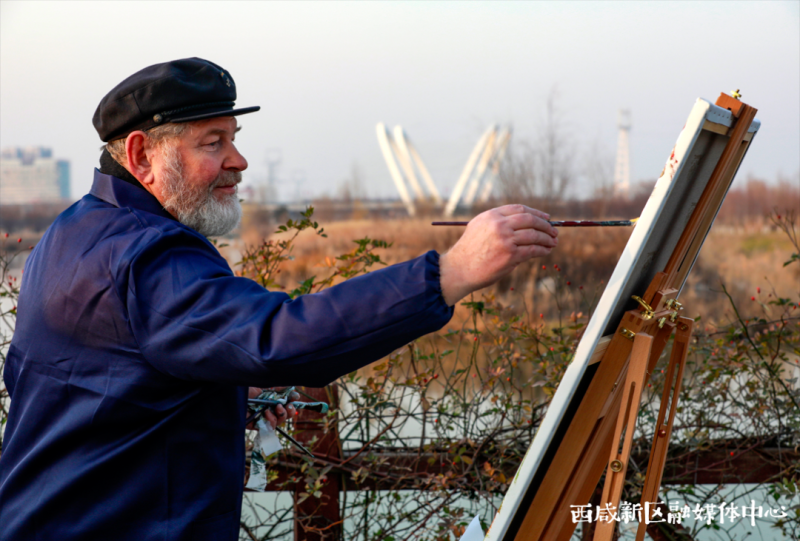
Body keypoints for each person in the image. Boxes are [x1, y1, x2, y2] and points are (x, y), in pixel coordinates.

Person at [0, 58, 558, 541]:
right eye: (213, 143)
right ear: (142, 154)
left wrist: (218, 390)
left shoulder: (74, 231)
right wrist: (450, 273)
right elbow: (278, 337)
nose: (238, 161)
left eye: (234, 139)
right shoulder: (150, 255)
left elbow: (86, 379)